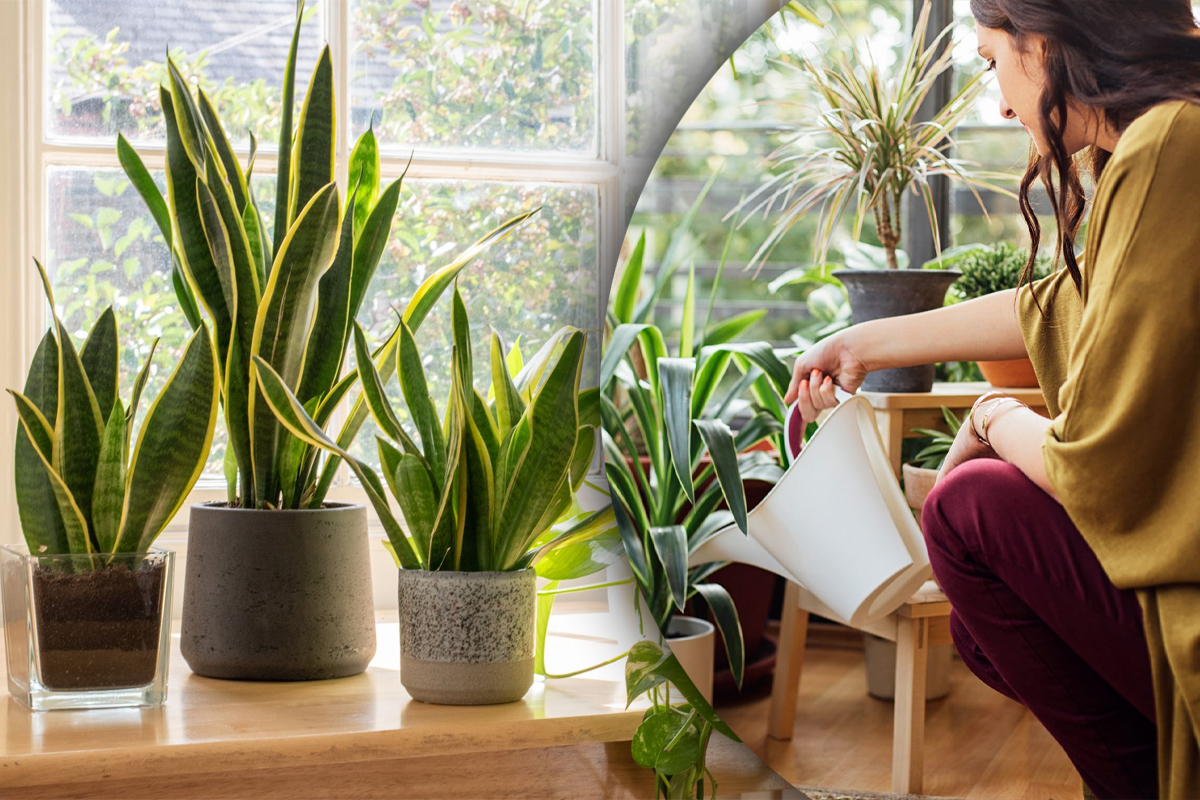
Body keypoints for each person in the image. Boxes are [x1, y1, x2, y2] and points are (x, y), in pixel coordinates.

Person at [784, 2, 1200, 798]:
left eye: (989, 62)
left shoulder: (1169, 146)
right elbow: (1059, 306)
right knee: (980, 622)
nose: (1002, 104)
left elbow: (1102, 469)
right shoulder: (1161, 146)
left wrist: (991, 417)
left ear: (1042, 43)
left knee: (969, 504)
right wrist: (860, 343)